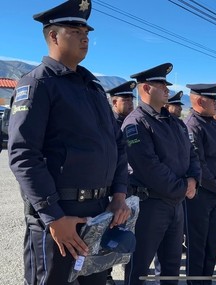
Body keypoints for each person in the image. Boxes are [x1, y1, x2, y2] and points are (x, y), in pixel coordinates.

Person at [8, 1, 131, 284]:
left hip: (99, 214)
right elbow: (23, 154)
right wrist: (53, 216)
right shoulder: (38, 83)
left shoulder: (93, 88)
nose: (85, 35)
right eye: (75, 29)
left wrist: (119, 195)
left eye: (86, 30)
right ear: (53, 36)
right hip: (61, 218)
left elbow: (117, 145)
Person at [122, 63, 201, 285]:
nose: (167, 89)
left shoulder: (175, 123)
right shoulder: (136, 123)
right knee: (138, 266)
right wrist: (183, 187)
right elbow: (148, 167)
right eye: (162, 85)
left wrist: (194, 179)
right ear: (146, 89)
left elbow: (192, 154)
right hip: (150, 205)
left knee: (171, 265)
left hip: (175, 204)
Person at [183, 82, 216, 285]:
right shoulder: (192, 126)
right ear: (200, 100)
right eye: (213, 100)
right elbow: (198, 163)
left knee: (212, 242)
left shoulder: (215, 125)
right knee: (198, 244)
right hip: (202, 195)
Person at [105, 80, 136, 285]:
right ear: (114, 103)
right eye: (125, 100)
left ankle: (126, 265)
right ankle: (105, 273)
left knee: (127, 231)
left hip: (130, 187)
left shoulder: (134, 124)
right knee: (106, 231)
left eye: (131, 99)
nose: (130, 103)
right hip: (112, 188)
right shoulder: (109, 124)